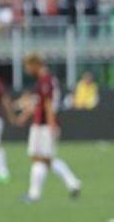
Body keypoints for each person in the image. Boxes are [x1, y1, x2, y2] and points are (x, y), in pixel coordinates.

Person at [17, 53, 82, 202]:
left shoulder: (46, 80)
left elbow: (48, 103)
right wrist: (26, 115)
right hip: (40, 124)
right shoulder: (42, 80)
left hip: (45, 125)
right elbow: (38, 102)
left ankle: (35, 194)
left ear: (35, 64)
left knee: (42, 159)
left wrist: (52, 124)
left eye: (27, 66)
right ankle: (72, 183)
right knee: (42, 158)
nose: (26, 70)